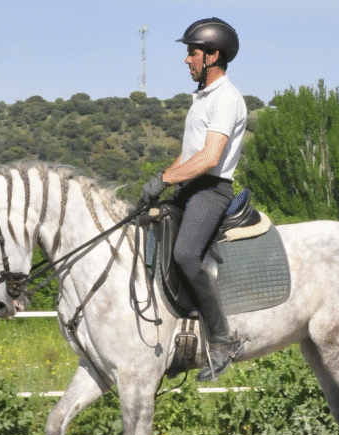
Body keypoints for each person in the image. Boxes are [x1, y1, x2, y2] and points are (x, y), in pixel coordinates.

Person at [141, 17, 247, 382]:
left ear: (213, 55)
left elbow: (209, 158)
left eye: (192, 53)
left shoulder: (227, 99)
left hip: (211, 190)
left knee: (185, 254)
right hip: (190, 186)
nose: (187, 60)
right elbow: (188, 156)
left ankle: (222, 340)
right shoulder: (202, 98)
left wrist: (166, 178)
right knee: (147, 235)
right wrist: (160, 181)